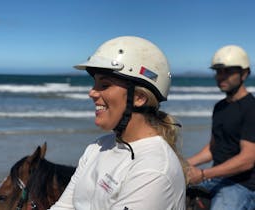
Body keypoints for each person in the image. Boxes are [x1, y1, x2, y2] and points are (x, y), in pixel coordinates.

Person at [49, 36, 186, 210]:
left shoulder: (154, 169)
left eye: (104, 85)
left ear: (139, 98)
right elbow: (63, 207)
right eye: (94, 83)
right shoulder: (98, 147)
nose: (92, 93)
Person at [187, 45, 255, 210]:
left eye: (228, 71)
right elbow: (213, 148)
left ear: (244, 74)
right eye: (218, 71)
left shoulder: (251, 109)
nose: (221, 77)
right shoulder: (220, 107)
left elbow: (248, 159)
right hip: (217, 178)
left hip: (242, 185)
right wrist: (185, 163)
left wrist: (203, 174)